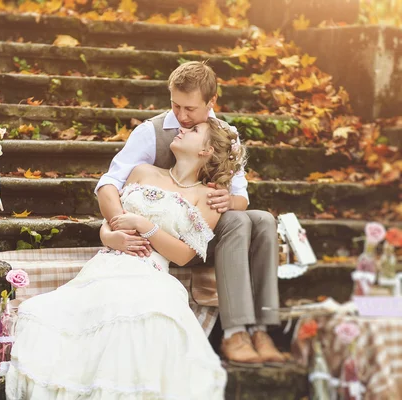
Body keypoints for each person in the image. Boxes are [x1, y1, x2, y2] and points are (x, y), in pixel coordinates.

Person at [5, 118, 241, 399]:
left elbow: (184, 254)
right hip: (107, 263)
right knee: (46, 316)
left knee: (136, 322)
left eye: (193, 130)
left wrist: (145, 226)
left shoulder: (208, 196)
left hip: (150, 271)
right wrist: (108, 236)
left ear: (207, 150)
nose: (181, 129)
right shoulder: (142, 172)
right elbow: (113, 220)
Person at [96, 61, 286, 365]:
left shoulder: (225, 135)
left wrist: (227, 200)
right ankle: (235, 332)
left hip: (208, 222)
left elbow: (241, 199)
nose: (181, 116)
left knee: (263, 220)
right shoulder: (152, 132)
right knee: (238, 221)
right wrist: (119, 227)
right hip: (174, 228)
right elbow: (109, 183)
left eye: (191, 109)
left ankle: (262, 328)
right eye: (175, 105)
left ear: (211, 103)